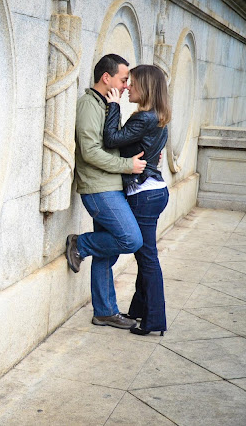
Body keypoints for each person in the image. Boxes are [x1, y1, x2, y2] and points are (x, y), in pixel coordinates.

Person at [65, 54, 147, 329]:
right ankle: (80, 244)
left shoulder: (106, 105)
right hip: (99, 189)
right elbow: (89, 152)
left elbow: (113, 143)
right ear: (106, 78)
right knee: (131, 239)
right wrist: (127, 166)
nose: (126, 86)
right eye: (123, 80)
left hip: (110, 186)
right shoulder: (89, 105)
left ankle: (104, 311)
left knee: (106, 254)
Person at [102, 64, 171, 336]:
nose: (128, 87)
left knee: (147, 258)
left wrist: (113, 107)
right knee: (146, 256)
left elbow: (111, 139)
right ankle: (141, 310)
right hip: (155, 191)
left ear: (147, 87)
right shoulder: (158, 117)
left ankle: (154, 321)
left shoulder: (144, 118)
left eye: (133, 83)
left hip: (144, 195)